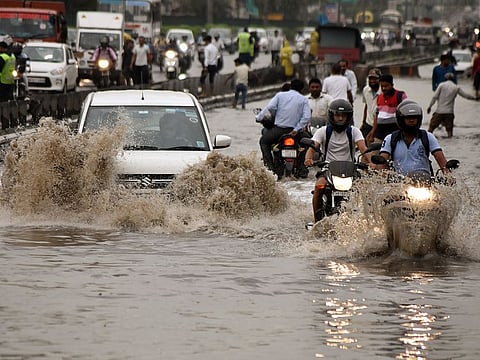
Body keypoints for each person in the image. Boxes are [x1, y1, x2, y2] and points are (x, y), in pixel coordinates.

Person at [304, 99, 369, 222]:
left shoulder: (354, 131)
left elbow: (363, 148)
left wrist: (371, 162)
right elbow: (312, 147)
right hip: (328, 168)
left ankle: (363, 220)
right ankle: (317, 220)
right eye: (337, 115)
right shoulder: (323, 131)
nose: (340, 118)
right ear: (332, 116)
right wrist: (308, 158)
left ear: (348, 117)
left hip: (350, 169)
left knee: (364, 190)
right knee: (319, 186)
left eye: (343, 116)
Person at [378, 100, 450, 177]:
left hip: (424, 182)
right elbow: (382, 162)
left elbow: (440, 158)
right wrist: (382, 174)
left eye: (414, 117)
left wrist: (448, 175)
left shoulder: (428, 137)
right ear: (401, 119)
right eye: (408, 118)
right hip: (399, 182)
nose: (412, 120)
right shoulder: (391, 139)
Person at [255, 78, 310, 172]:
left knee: (264, 142)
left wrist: (259, 117)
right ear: (302, 89)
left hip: (278, 131)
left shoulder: (280, 95)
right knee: (308, 142)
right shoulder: (303, 99)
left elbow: (270, 107)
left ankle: (269, 168)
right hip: (295, 133)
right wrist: (296, 129)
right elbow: (306, 117)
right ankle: (301, 166)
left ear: (291, 86)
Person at [426, 72, 477, 138]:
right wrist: (475, 98)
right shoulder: (456, 87)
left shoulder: (441, 85)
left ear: (445, 78)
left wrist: (430, 106)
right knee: (449, 133)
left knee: (430, 129)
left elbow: (434, 97)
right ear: (453, 79)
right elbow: (465, 96)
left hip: (439, 112)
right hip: (449, 112)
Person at [367, 74, 407, 144]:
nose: (383, 88)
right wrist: (372, 133)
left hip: (395, 133)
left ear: (392, 85)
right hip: (380, 134)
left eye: (386, 86)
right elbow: (377, 117)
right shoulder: (379, 97)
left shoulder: (400, 95)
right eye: (382, 86)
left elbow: (406, 114)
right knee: (375, 154)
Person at [361, 68, 382, 141]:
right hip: (368, 124)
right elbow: (366, 106)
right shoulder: (366, 90)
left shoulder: (383, 92)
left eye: (375, 78)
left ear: (380, 79)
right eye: (370, 78)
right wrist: (363, 122)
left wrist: (373, 132)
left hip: (380, 126)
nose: (372, 81)